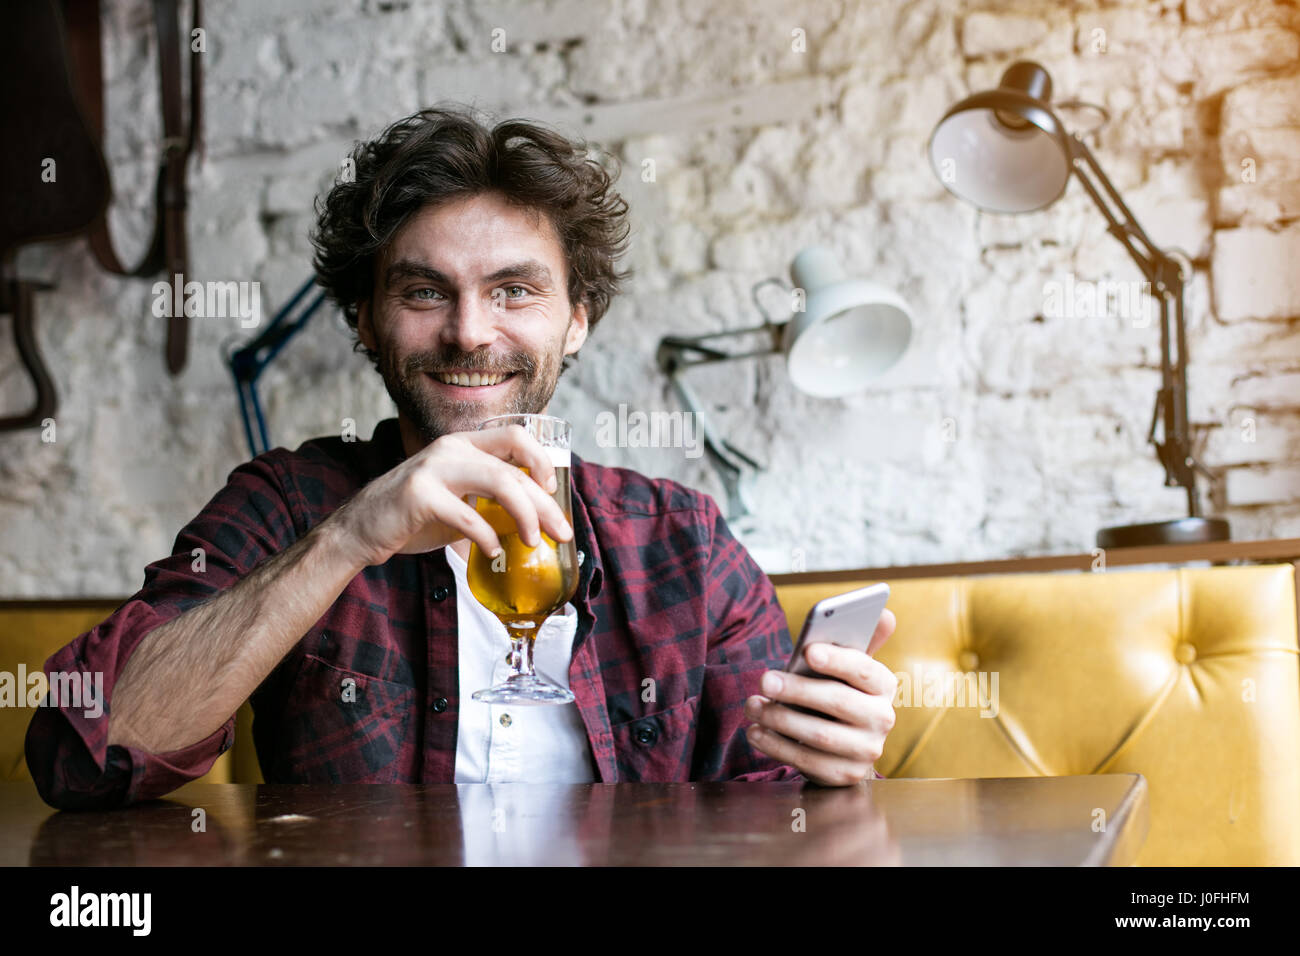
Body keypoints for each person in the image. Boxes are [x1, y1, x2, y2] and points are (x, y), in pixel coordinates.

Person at [26, 105, 898, 810]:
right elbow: (82, 756)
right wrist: (350, 538)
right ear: (365, 320)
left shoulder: (685, 545)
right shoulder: (293, 504)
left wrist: (831, 766)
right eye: (422, 291)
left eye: (515, 290)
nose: (470, 332)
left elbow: (767, 804)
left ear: (578, 317)